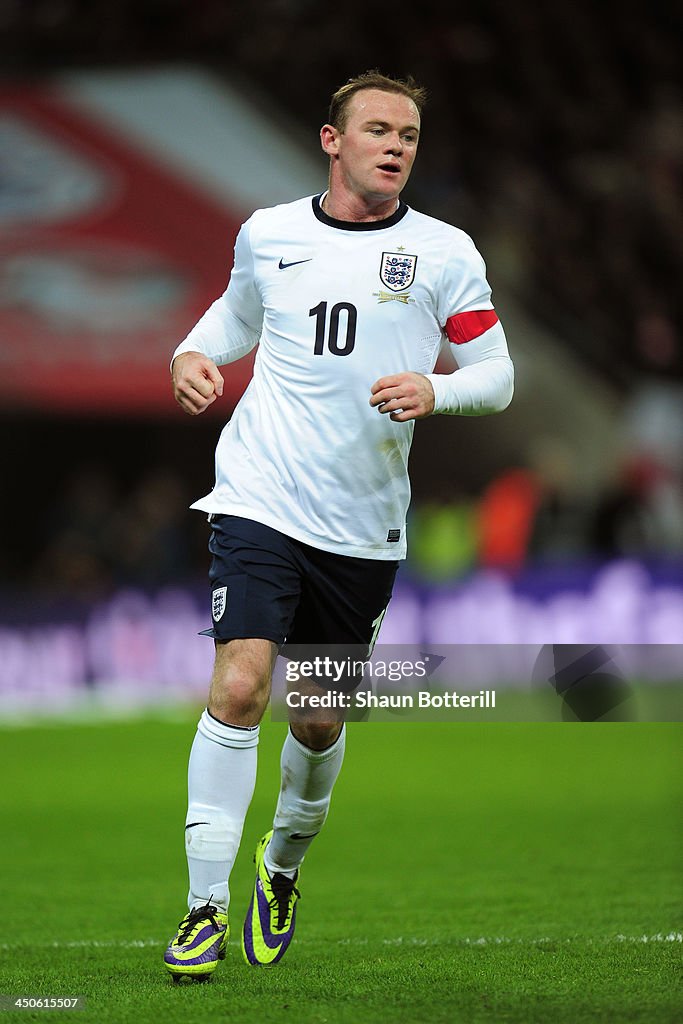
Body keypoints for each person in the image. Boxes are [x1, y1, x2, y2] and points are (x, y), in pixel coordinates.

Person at [163, 70, 514, 980]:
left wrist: (436, 388)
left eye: (408, 134)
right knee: (241, 687)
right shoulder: (270, 232)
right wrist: (193, 353)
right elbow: (234, 316)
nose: (396, 146)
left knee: (316, 718)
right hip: (259, 494)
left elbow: (496, 373)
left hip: (361, 522)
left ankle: (279, 870)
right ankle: (204, 905)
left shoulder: (442, 253)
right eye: (379, 129)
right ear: (332, 140)